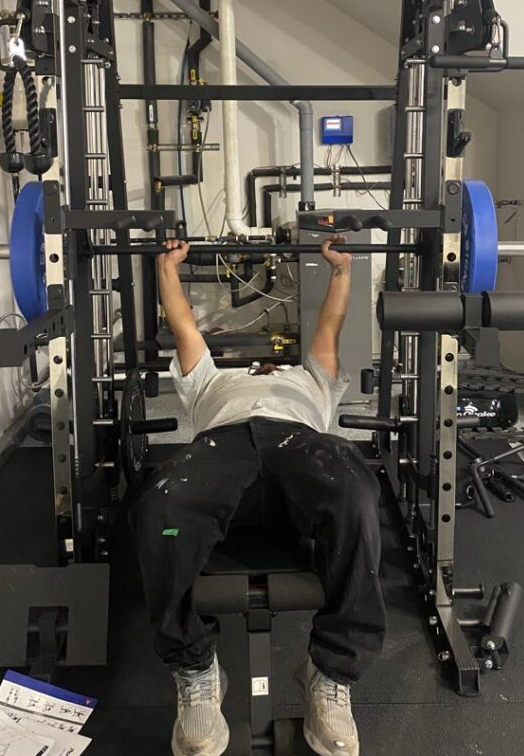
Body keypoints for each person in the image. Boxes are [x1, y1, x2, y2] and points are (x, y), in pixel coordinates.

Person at [129, 235, 385, 756]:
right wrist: (167, 267)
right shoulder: (210, 380)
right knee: (160, 508)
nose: (265, 362)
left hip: (300, 445)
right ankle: (196, 668)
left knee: (357, 495)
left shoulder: (311, 377)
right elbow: (183, 324)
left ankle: (329, 673)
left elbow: (329, 327)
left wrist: (341, 270)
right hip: (223, 447)